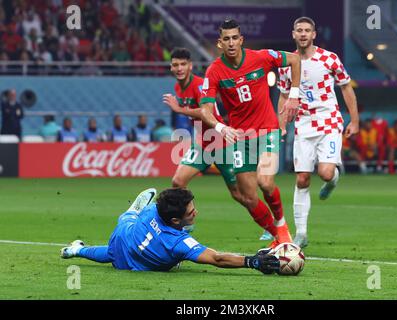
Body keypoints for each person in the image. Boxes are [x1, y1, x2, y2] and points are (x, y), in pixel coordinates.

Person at [199, 19, 301, 248]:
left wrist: (294, 94)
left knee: (265, 182)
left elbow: (294, 59)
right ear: (220, 43)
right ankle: (276, 235)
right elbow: (205, 110)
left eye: (235, 37)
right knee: (248, 197)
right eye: (226, 39)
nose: (231, 42)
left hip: (267, 130)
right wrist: (221, 127)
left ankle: (283, 227)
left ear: (241, 40)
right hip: (240, 138)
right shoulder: (214, 70)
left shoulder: (261, 57)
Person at [60, 188, 280, 274]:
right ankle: (77, 250)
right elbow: (217, 258)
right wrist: (253, 261)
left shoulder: (153, 211)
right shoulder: (179, 243)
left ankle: (75, 250)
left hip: (123, 239)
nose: (196, 213)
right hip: (133, 261)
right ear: (175, 220)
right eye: (191, 212)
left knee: (126, 224)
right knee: (128, 220)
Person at [277, 17, 359, 248]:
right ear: (293, 34)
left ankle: (332, 180)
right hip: (303, 124)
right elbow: (284, 95)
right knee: (302, 178)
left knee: (324, 173)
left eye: (307, 31)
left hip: (329, 121)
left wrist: (354, 120)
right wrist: (281, 124)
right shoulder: (287, 63)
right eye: (299, 30)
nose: (303, 34)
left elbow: (345, 88)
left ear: (314, 34)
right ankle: (301, 233)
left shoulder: (329, 58)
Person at [162, 47, 245, 211]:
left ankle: (270, 221)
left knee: (239, 193)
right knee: (178, 182)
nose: (179, 69)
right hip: (202, 143)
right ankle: (187, 219)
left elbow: (205, 112)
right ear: (171, 67)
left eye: (183, 64)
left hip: (222, 143)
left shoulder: (200, 85)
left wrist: (179, 110)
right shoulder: (178, 88)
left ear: (190, 66)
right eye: (175, 65)